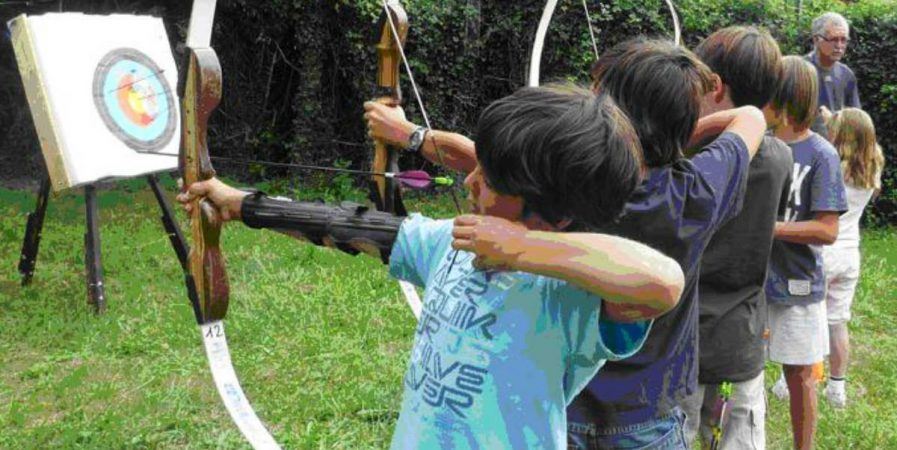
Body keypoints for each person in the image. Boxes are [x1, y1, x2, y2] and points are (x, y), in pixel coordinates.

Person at [179, 85, 687, 449]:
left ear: (553, 206)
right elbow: (350, 226)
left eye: (490, 180)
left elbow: (663, 282)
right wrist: (243, 204)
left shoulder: (572, 295)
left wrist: (520, 249)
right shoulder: (450, 243)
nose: (471, 184)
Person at [366, 38, 768, 449]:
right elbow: (752, 118)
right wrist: (677, 132)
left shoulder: (574, 189)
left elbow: (485, 162)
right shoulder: (699, 190)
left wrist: (410, 135)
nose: (589, 99)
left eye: (598, 93)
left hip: (562, 403)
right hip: (646, 412)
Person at [681, 26, 793, 450]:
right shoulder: (779, 154)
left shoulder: (690, 156)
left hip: (684, 339)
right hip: (741, 339)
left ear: (715, 87)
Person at [765, 56, 848, 450]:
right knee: (738, 371)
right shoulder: (757, 144)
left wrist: (768, 229)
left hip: (796, 283)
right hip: (747, 281)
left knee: (799, 376)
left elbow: (827, 229)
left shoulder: (821, 154)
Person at [820, 108, 885, 408]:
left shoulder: (831, 166)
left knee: (810, 320)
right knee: (837, 322)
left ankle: (788, 380)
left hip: (823, 251)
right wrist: (838, 118)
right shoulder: (873, 165)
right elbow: (859, 136)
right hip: (849, 254)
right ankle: (837, 389)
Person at [805, 12, 861, 135]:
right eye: (834, 39)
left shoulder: (846, 75)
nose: (839, 46)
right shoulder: (800, 70)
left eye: (844, 40)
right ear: (816, 39)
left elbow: (856, 120)